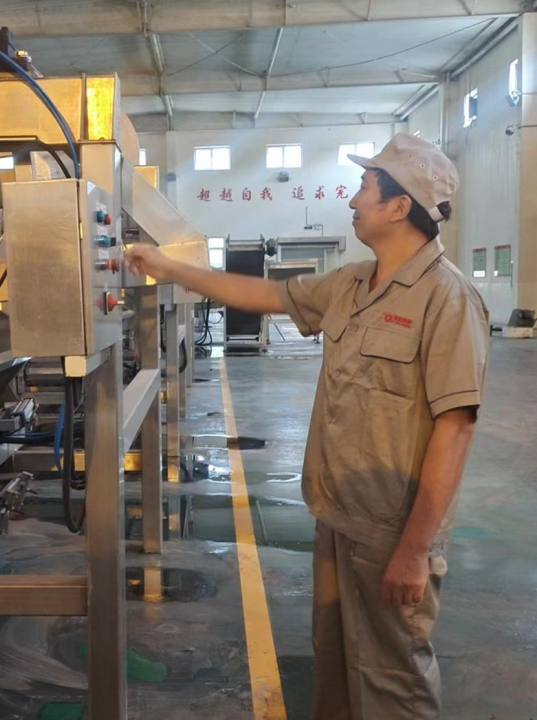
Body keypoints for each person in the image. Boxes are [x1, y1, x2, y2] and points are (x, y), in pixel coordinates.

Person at [124, 133, 490, 720]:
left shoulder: (447, 299)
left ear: (399, 206)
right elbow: (263, 293)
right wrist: (168, 267)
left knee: (392, 681)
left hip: (391, 531)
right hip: (337, 516)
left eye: (365, 188)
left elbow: (456, 429)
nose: (353, 199)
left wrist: (415, 550)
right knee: (337, 666)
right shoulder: (351, 284)